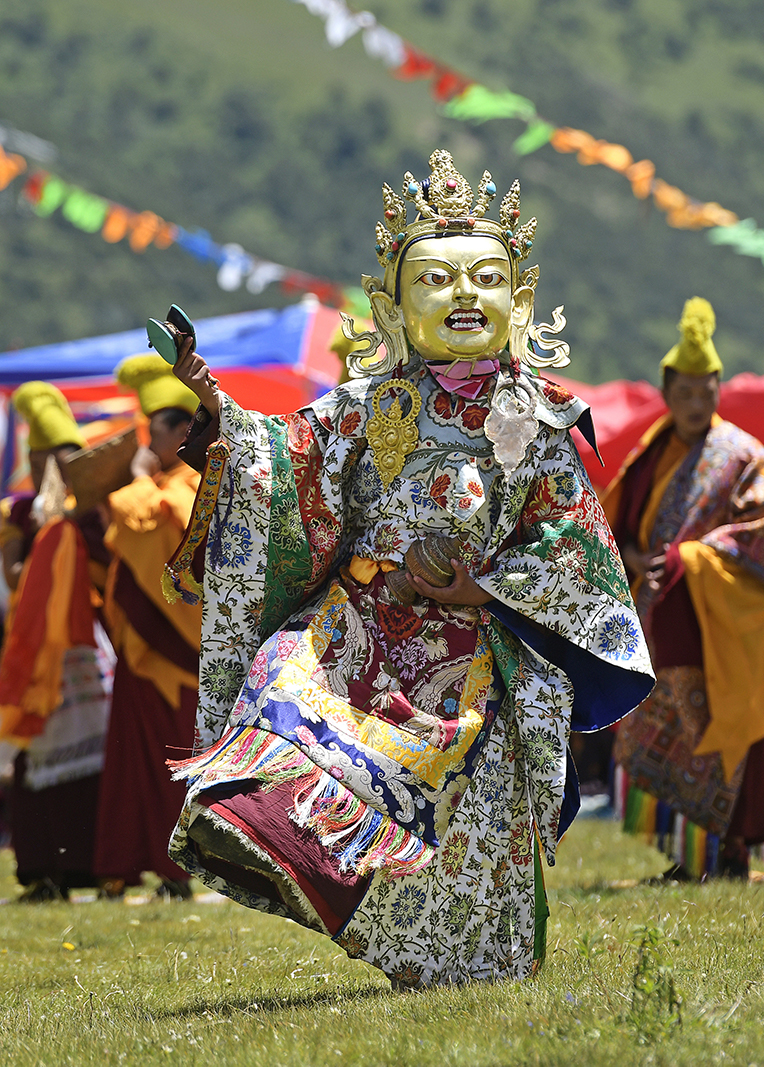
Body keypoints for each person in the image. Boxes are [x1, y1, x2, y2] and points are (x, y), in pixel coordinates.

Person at [164, 150, 653, 986]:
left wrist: (483, 587)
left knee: (471, 835)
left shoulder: (538, 424)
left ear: (520, 301)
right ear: (392, 306)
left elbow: (571, 548)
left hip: (475, 650)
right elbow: (289, 464)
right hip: (361, 629)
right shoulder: (369, 406)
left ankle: (457, 961)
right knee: (284, 686)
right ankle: (275, 845)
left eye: (485, 278)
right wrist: (224, 416)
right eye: (437, 278)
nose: (465, 296)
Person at [605, 298, 764, 878]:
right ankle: (687, 859)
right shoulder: (650, 455)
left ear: (718, 389)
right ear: (667, 391)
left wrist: (697, 557)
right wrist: (640, 557)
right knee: (669, 744)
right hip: (658, 629)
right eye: (685, 392)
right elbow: (618, 529)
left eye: (706, 391)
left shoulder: (742, 456)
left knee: (727, 741)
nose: (695, 404)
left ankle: (730, 857)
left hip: (726, 629)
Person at [93, 356, 202, 900]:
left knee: (169, 760)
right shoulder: (161, 480)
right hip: (140, 649)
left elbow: (160, 528)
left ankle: (176, 868)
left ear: (181, 431)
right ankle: (125, 862)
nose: (146, 443)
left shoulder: (189, 481)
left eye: (153, 431)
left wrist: (137, 480)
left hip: (176, 648)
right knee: (131, 759)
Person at [0, 382, 114, 901]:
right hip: (38, 643)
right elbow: (14, 575)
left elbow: (108, 569)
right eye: (53, 456)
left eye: (72, 457)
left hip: (86, 646)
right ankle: (44, 868)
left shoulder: (93, 510)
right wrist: (49, 545)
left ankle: (91, 864)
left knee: (97, 752)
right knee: (36, 756)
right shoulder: (20, 513)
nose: (64, 466)